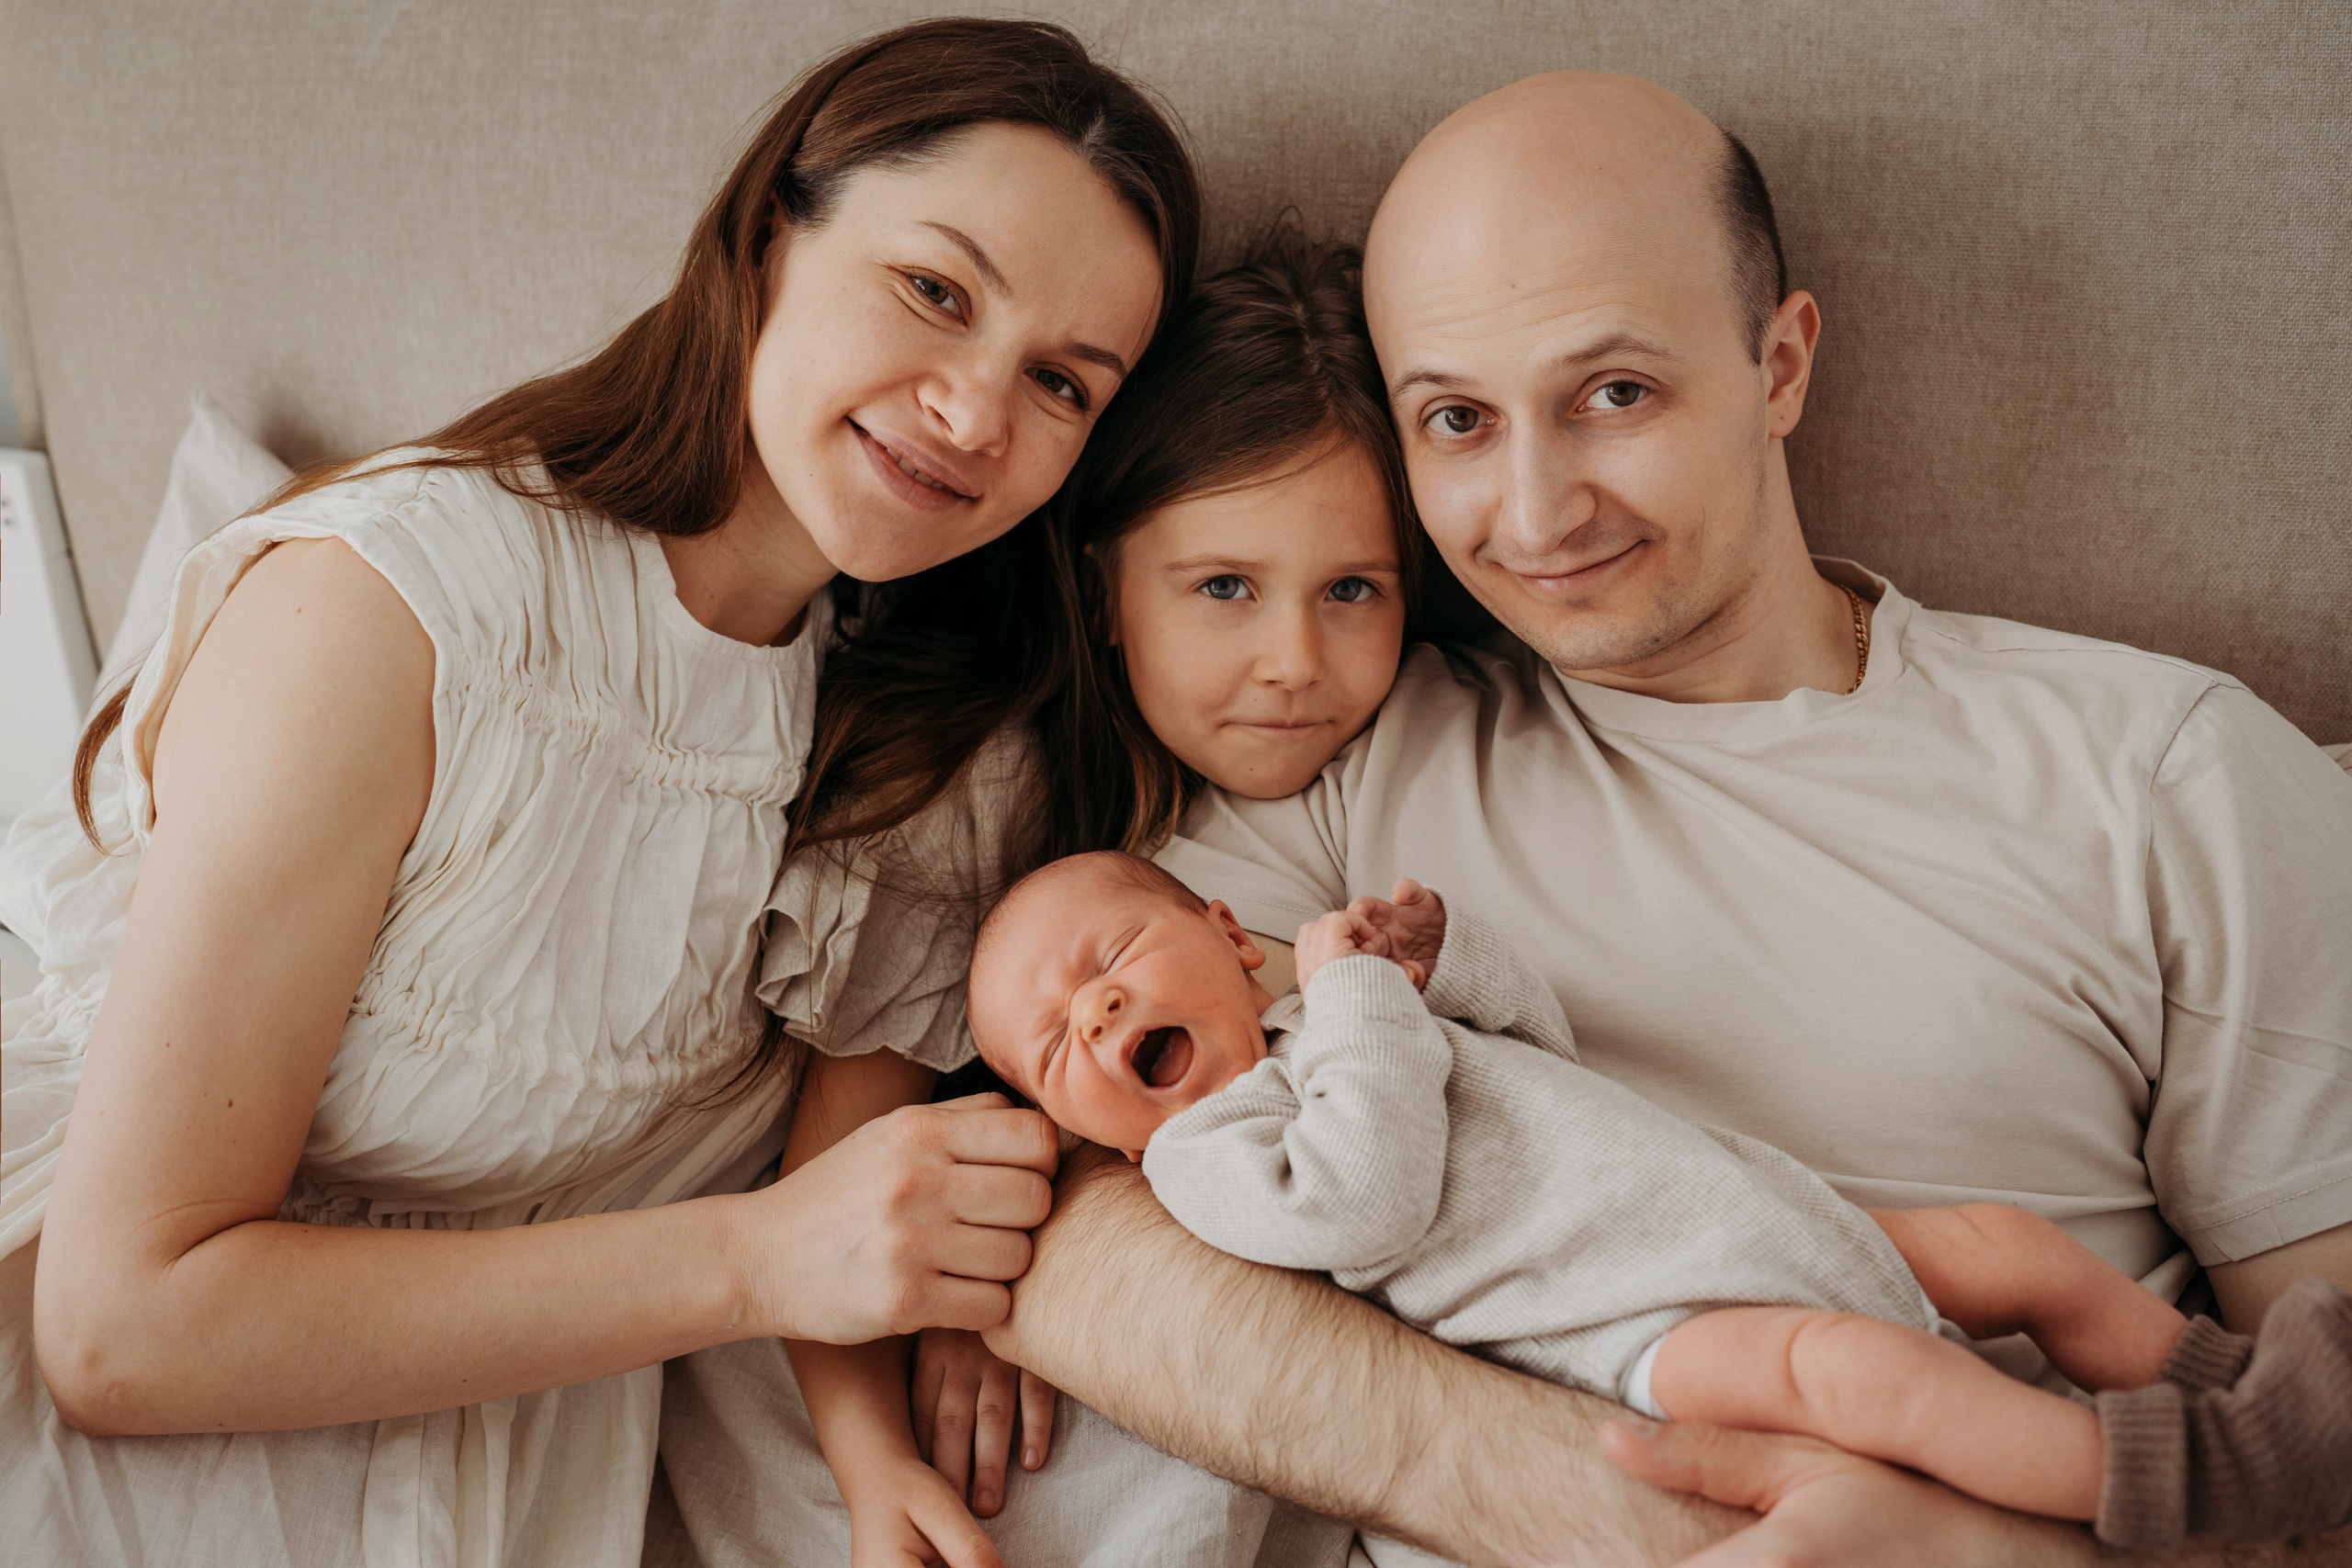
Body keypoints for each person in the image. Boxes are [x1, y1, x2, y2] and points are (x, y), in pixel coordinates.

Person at [958, 71, 2352, 1568]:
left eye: (1613, 394)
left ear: (1781, 365)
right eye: (1456, 421)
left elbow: (2323, 1448)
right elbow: (1082, 1249)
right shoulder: (1336, 769)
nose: (1539, 511)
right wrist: (1635, 1512)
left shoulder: (2168, 774)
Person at [0, 20, 1200, 1567]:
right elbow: (117, 1336)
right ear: (773, 232)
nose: (977, 415)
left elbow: (924, 1112)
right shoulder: (394, 615)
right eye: (934, 290)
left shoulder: (927, 727)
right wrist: (759, 1262)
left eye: (1061, 383)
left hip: (500, 1459)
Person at [651, 231, 1414, 1568]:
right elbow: (837, 1176)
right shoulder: (985, 787)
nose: (1296, 663)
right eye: (1223, 587)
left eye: (1352, 588)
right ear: (1105, 589)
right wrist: (879, 1466)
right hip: (856, 1360)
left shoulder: (1396, 766)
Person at [967, 853, 2352, 1553]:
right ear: (1076, 1122)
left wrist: (1447, 962)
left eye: (1113, 957)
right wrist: (1359, 997)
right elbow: (1364, 1204)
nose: (1092, 1013)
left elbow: (1537, 1057)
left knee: (2016, 1251)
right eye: (1053, 1048)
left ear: (1223, 931)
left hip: (1744, 1207)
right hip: (1641, 1322)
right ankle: (2218, 1481)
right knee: (1861, 1373)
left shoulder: (1326, 1020)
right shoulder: (1213, 1153)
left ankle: (2237, 1390)